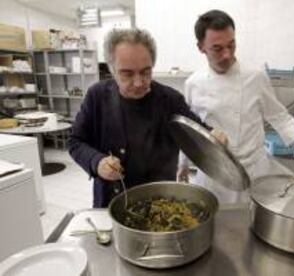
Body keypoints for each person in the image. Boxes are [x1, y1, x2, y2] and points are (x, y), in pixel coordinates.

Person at [68, 28, 226, 208]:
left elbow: (197, 130)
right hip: (111, 203)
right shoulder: (97, 96)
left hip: (161, 204)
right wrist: (97, 162)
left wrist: (213, 134)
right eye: (127, 74)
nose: (138, 82)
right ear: (112, 70)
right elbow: (75, 142)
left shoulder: (170, 100)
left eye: (145, 72)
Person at [178, 10, 294, 202]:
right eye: (218, 49)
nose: (227, 54)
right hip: (214, 174)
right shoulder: (193, 84)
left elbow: (278, 115)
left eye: (232, 45)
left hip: (253, 172)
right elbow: (188, 131)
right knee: (216, 226)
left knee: (250, 226)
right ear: (201, 47)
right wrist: (183, 164)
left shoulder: (255, 77)